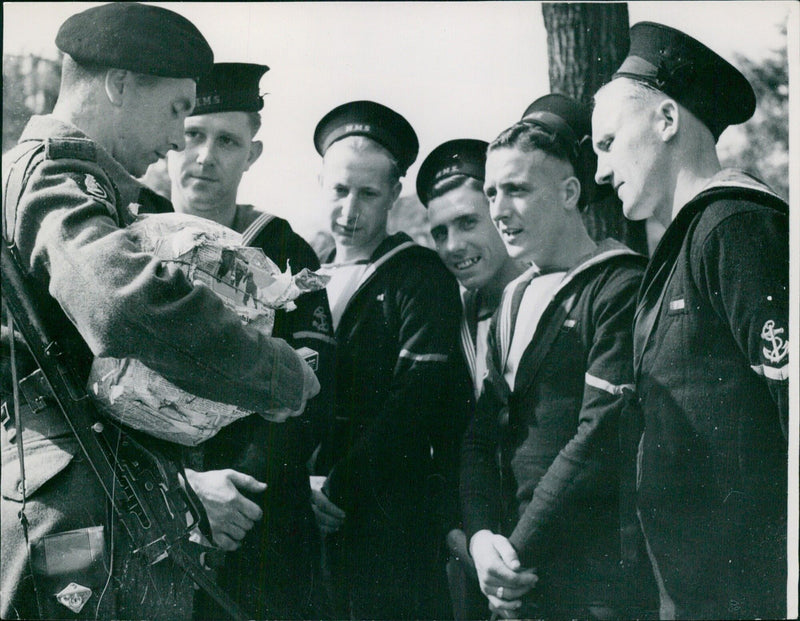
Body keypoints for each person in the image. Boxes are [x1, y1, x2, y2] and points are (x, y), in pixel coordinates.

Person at [0, 5, 318, 620]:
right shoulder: (57, 177)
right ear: (119, 83)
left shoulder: (62, 178)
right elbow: (119, 300)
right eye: (177, 110)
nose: (179, 138)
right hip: (78, 497)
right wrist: (271, 371)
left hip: (93, 485)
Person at [592, 22, 789, 620]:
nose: (601, 172)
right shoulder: (689, 240)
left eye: (606, 142)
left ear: (667, 120)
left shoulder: (735, 228)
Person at [460, 94, 649, 620]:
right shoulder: (513, 295)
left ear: (569, 191)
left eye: (517, 189)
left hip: (593, 580)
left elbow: (599, 436)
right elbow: (481, 432)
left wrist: (515, 554)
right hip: (513, 573)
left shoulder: (621, 284)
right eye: (492, 192)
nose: (498, 210)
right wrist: (480, 540)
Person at [165, 62, 335, 620]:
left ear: (252, 154)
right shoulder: (126, 239)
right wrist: (185, 486)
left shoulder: (284, 247)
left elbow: (310, 383)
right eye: (192, 134)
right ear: (169, 137)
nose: (206, 156)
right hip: (154, 501)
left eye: (228, 141)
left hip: (258, 515)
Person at [309, 100, 472, 619]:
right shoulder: (304, 277)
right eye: (339, 190)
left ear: (393, 195)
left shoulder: (417, 275)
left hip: (385, 521)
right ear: (321, 183)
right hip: (309, 518)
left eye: (368, 193)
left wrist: (339, 487)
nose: (350, 212)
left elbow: (418, 398)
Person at [417, 139, 523, 397]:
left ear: (501, 216)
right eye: (440, 233)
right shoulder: (452, 321)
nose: (453, 246)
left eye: (467, 223)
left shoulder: (555, 298)